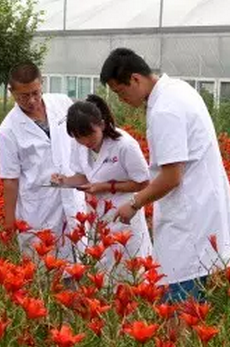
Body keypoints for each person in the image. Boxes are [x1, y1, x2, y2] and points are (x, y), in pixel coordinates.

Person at [100, 47, 230, 303]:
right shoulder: (178, 90)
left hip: (189, 221)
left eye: (120, 91)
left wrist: (134, 203)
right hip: (198, 213)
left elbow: (172, 176)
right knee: (190, 303)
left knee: (181, 307)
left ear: (135, 79)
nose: (120, 99)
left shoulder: (165, 110)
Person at [50, 95, 153, 283]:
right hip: (98, 219)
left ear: (102, 125)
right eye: (79, 137)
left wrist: (105, 186)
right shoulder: (80, 145)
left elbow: (144, 182)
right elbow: (83, 176)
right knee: (104, 278)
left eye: (90, 135)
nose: (85, 141)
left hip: (125, 216)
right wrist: (64, 181)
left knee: (131, 275)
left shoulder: (124, 145)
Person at [0, 62, 86, 263]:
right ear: (11, 92)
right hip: (39, 206)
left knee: (79, 266)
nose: (32, 100)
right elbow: (10, 179)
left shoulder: (62, 103)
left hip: (72, 197)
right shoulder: (7, 130)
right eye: (23, 96)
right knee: (44, 274)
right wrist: (9, 223)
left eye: (35, 92)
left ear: (42, 83)